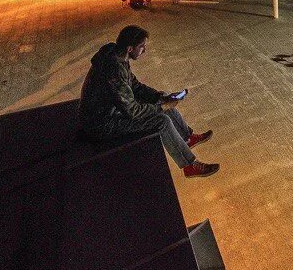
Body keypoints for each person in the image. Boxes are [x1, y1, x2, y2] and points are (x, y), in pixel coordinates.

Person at [79, 25, 220, 178]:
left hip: (110, 110)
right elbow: (132, 111)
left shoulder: (116, 54)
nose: (144, 50)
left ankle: (187, 137)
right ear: (130, 48)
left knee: (163, 97)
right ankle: (189, 165)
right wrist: (161, 107)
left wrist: (161, 98)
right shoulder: (114, 71)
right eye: (142, 47)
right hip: (102, 124)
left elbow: (135, 86)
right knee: (162, 120)